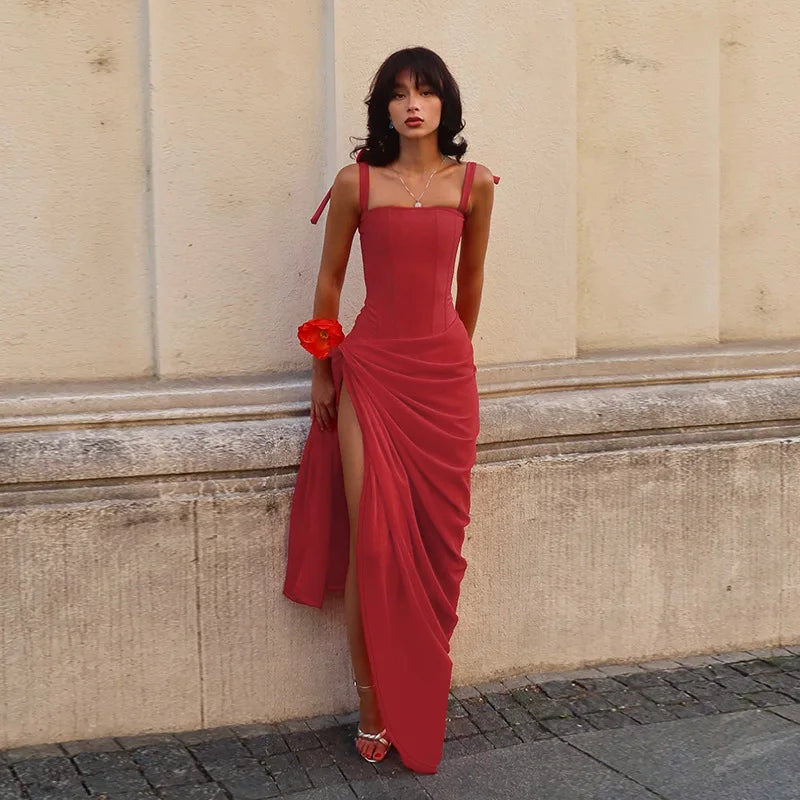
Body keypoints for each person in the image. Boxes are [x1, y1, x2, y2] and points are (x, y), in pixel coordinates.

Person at [283, 45, 499, 774]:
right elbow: (329, 286)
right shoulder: (356, 183)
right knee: (373, 545)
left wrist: (450, 361)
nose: (413, 104)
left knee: (438, 548)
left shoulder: (476, 184)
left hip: (441, 382)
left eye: (427, 91)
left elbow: (470, 289)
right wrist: (323, 372)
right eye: (399, 93)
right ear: (383, 108)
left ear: (446, 105)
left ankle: (424, 684)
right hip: (368, 376)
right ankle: (372, 701)